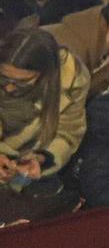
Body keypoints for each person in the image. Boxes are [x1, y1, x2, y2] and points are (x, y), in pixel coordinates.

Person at [0, 26, 90, 181]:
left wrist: (41, 159)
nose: (9, 87)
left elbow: (69, 132)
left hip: (26, 164)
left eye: (21, 82)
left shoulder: (71, 80)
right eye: (3, 78)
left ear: (46, 75)